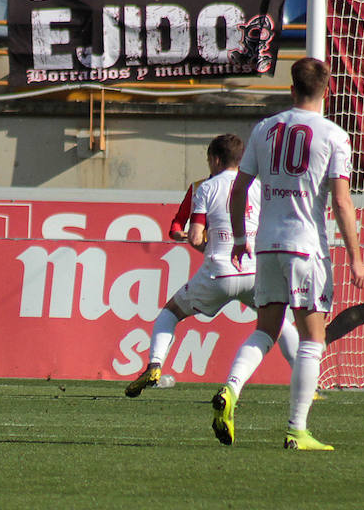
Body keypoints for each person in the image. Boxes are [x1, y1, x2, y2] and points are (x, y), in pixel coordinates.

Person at [212, 57, 364, 451]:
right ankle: (297, 429)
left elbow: (239, 188)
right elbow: (342, 201)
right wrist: (356, 257)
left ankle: (230, 389)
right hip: (306, 246)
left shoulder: (264, 129)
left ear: (291, 89)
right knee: (312, 339)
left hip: (265, 245)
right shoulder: (333, 135)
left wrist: (239, 239)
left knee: (265, 329)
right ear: (327, 91)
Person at [125, 134, 299, 398]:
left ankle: (155, 366)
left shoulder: (206, 187)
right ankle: (306, 382)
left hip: (219, 271)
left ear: (215, 159)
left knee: (169, 314)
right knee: (279, 322)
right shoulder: (258, 187)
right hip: (255, 271)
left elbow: (195, 236)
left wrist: (208, 246)